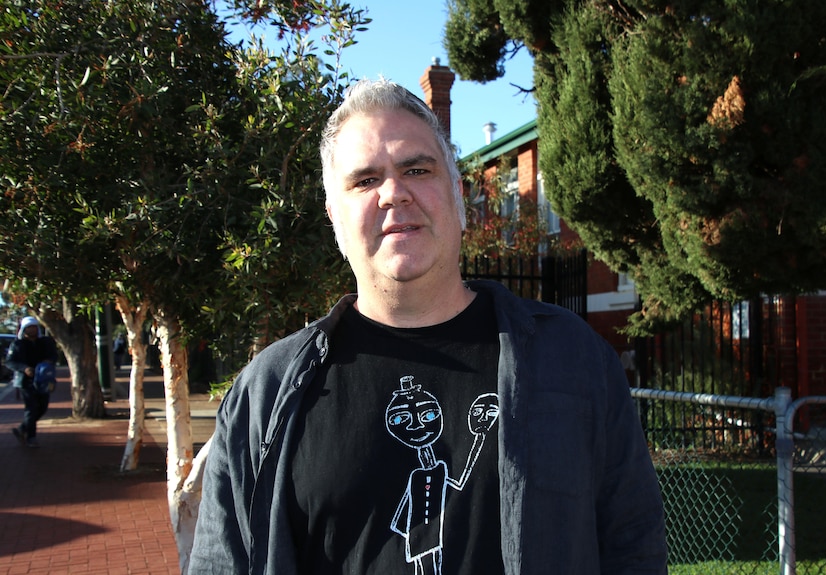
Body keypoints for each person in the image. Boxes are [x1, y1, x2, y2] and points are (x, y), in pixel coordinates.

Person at [189, 79, 667, 574]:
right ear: (335, 217)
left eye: (417, 169)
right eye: (365, 180)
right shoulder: (265, 396)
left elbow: (633, 544)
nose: (394, 193)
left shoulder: (572, 360)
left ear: (457, 196)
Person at [7, 316, 58, 448]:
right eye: (29, 327)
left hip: (43, 379)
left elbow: (54, 355)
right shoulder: (17, 344)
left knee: (42, 407)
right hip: (26, 382)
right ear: (24, 329)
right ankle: (31, 437)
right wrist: (24, 369)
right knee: (31, 408)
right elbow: (10, 361)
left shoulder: (45, 342)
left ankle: (22, 429)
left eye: (34, 327)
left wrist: (49, 361)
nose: (32, 329)